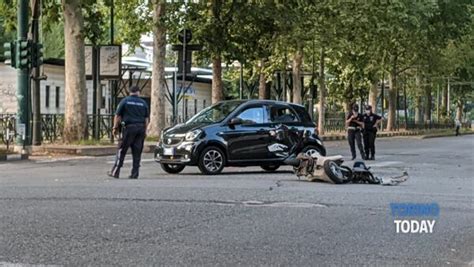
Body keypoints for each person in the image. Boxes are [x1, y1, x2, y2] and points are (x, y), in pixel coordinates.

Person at [108, 85, 149, 179]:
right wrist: (145, 130)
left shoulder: (125, 101)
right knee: (137, 151)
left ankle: (116, 171)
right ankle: (135, 173)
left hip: (129, 128)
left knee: (122, 150)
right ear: (138, 92)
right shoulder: (143, 103)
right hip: (140, 129)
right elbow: (146, 119)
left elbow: (117, 115)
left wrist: (115, 127)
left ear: (130, 92)